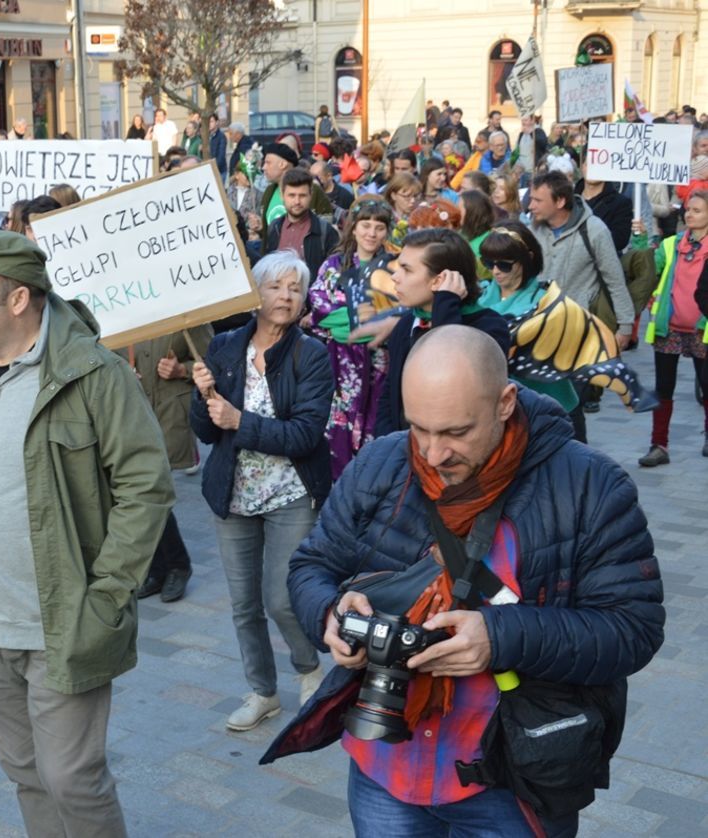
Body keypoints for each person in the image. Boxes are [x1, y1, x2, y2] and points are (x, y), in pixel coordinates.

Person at [284, 323, 663, 837]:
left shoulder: (590, 487)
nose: (434, 454)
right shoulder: (380, 462)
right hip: (383, 770)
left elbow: (632, 629)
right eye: (420, 427)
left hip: (511, 785)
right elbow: (311, 566)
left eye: (457, 432)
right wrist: (331, 615)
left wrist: (500, 637)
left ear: (505, 402)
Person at [0, 231, 173, 837]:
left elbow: (146, 486)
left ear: (18, 300)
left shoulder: (92, 375)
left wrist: (108, 592)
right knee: (24, 770)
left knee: (72, 776)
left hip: (64, 619)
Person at [190, 251, 332, 728]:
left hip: (289, 492)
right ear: (256, 292)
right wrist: (202, 395)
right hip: (233, 493)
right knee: (244, 604)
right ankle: (262, 691)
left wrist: (240, 421)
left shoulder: (310, 355)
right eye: (275, 286)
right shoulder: (224, 345)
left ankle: (309, 669)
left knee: (282, 598)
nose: (285, 296)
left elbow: (305, 435)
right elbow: (207, 434)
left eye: (295, 288)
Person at [373, 228, 512, 436]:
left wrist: (446, 303)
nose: (395, 277)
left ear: (441, 279)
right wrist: (388, 442)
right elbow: (391, 393)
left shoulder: (488, 327)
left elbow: (452, 382)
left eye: (407, 270)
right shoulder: (407, 323)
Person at [120, 326, 212, 604]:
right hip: (127, 412)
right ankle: (163, 567)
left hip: (168, 413)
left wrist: (182, 370)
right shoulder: (113, 307)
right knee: (141, 492)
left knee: (150, 490)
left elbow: (214, 361)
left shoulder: (177, 304)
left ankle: (175, 565)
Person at [307, 199, 395, 477]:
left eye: (379, 227)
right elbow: (320, 308)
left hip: (380, 359)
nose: (371, 233)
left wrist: (351, 318)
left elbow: (396, 312)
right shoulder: (334, 264)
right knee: (337, 424)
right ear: (353, 228)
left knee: (376, 421)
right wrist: (360, 320)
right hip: (340, 360)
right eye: (365, 225)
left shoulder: (394, 267)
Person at [477, 223, 582, 433]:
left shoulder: (546, 301)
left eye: (504, 264)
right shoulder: (480, 295)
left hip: (551, 411)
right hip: (500, 413)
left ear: (528, 258)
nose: (495, 270)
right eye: (488, 262)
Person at [527, 171, 635, 360]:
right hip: (539, 328)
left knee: (579, 389)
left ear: (560, 202)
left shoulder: (594, 230)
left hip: (579, 330)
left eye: (537, 200)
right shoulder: (533, 229)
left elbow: (614, 279)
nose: (530, 206)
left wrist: (625, 326)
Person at [637, 190, 708, 466]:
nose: (690, 214)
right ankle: (659, 445)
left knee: (706, 386)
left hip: (703, 329)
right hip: (670, 327)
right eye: (688, 210)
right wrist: (641, 239)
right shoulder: (672, 244)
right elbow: (648, 269)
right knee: (663, 387)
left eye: (697, 210)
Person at [265, 168, 341, 283]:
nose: (297, 201)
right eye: (292, 195)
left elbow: (334, 274)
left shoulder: (325, 232)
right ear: (282, 196)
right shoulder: (274, 228)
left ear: (310, 195)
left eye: (302, 196)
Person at [260, 142, 300, 230]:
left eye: (268, 163)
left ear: (283, 164)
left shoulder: (310, 190)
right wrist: (260, 228)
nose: (263, 167)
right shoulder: (269, 191)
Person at [227, 156, 262, 221]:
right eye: (246, 174)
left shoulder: (258, 195)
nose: (249, 176)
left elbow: (259, 217)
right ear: (237, 175)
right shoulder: (226, 193)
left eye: (252, 174)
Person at [209, 113, 228, 181]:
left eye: (211, 121)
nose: (209, 124)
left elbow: (221, 156)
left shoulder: (221, 137)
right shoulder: (207, 136)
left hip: (219, 171)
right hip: (209, 171)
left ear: (217, 122)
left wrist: (213, 168)